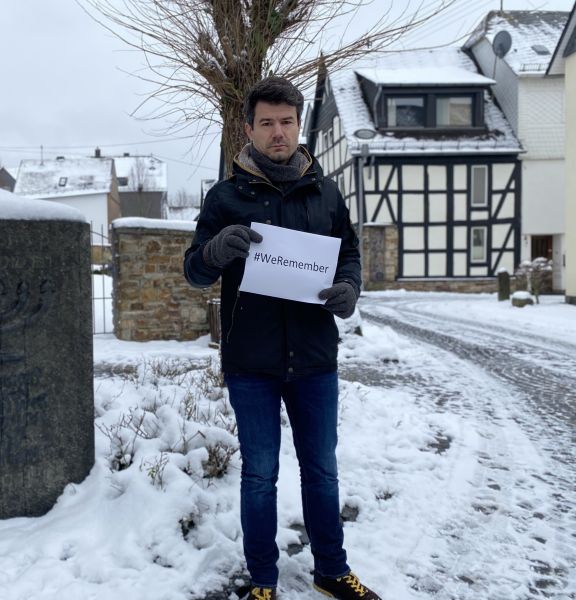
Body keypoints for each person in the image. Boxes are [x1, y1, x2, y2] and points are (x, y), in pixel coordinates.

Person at [183, 77, 381, 600]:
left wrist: (350, 287)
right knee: (260, 477)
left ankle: (331, 571)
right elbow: (195, 271)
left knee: (322, 473)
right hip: (252, 362)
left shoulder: (326, 192)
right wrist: (218, 248)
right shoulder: (225, 197)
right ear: (248, 129)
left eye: (287, 122)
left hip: (315, 359)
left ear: (299, 124)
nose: (278, 132)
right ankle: (264, 582)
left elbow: (350, 255)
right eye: (266, 123)